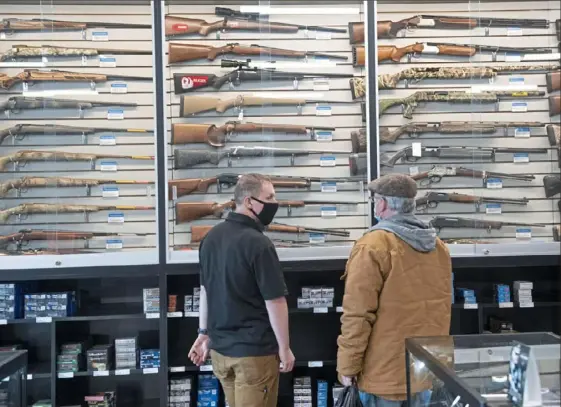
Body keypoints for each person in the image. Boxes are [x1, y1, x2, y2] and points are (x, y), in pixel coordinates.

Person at [337, 173, 452, 407]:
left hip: (384, 375)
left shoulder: (372, 246)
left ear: (383, 203)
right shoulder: (438, 246)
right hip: (425, 371)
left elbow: (358, 315)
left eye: (375, 200)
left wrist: (347, 366)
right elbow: (441, 309)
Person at [188, 173, 295, 407]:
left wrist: (203, 332)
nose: (274, 202)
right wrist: (285, 349)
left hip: (221, 353)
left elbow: (205, 290)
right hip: (254, 355)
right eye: (269, 197)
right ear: (249, 202)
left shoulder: (210, 238)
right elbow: (275, 301)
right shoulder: (259, 244)